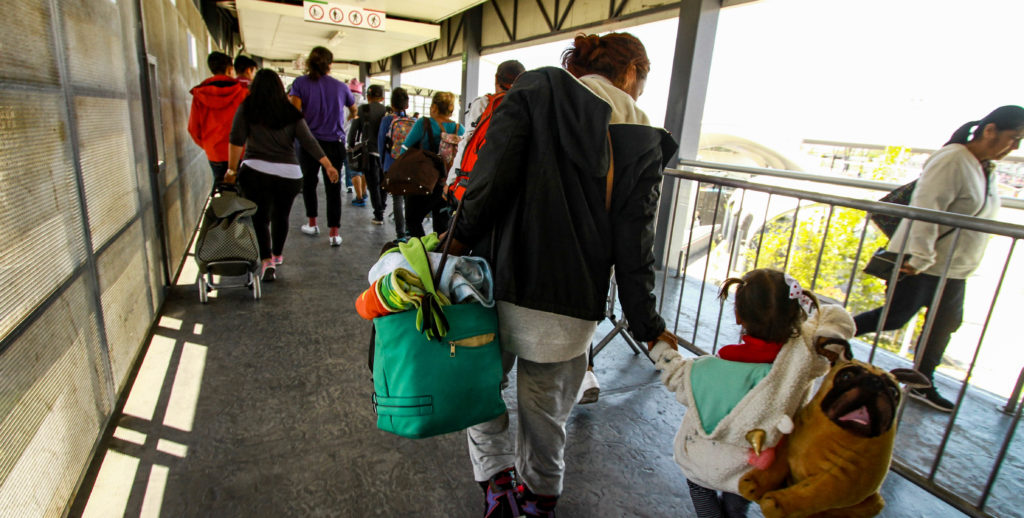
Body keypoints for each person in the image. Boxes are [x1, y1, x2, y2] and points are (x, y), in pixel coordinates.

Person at [443, 33, 677, 517]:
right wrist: (649, 327)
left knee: (478, 388)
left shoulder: (536, 89)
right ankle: (540, 498)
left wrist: (455, 244)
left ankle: (496, 483)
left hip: (493, 285)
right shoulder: (642, 138)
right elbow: (634, 250)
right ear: (630, 73)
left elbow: (489, 182)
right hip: (569, 306)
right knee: (546, 412)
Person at [853, 105, 1024, 412]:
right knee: (895, 316)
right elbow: (926, 209)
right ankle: (827, 334)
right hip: (925, 263)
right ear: (990, 130)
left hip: (954, 267)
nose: (1014, 147)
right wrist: (919, 257)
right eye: (1013, 138)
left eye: (1019, 142)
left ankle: (921, 382)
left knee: (944, 324)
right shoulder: (953, 159)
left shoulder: (984, 167)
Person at [648, 269, 855, 518]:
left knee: (700, 488)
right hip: (753, 469)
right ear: (797, 315)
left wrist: (660, 347)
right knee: (739, 500)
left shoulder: (706, 370)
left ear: (738, 316)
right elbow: (838, 318)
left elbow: (675, 374)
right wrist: (817, 333)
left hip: (704, 463)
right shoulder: (802, 364)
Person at [226, 69, 339, 281]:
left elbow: (236, 139)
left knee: (260, 217)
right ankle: (277, 255)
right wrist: (328, 164)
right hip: (288, 174)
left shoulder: (247, 108)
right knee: (281, 216)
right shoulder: (290, 112)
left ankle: (266, 260)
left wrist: (231, 170)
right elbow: (309, 141)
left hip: (255, 170)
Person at [288, 46, 356, 246]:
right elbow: (354, 109)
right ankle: (334, 233)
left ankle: (312, 223)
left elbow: (294, 114)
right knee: (333, 187)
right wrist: (342, 125)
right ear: (330, 65)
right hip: (334, 142)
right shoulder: (341, 87)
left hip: (308, 143)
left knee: (309, 183)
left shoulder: (300, 83)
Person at [445, 60, 525, 187]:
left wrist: (450, 182)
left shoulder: (484, 104)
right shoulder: (527, 106)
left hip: (480, 180)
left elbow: (467, 144)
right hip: (516, 182)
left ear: (496, 78)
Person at [397, 91, 464, 238]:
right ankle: (438, 256)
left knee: (413, 221)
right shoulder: (459, 129)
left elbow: (404, 149)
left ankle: (421, 254)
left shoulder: (424, 123)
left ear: (434, 106)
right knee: (441, 227)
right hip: (446, 185)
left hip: (422, 181)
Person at [188, 51, 248, 186]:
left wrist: (209, 145)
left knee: (221, 189)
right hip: (241, 152)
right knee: (244, 192)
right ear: (230, 69)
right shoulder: (243, 93)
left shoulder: (200, 95)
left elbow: (193, 129)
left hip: (214, 153)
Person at [348, 84, 388, 224]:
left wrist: (351, 145)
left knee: (373, 185)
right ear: (382, 97)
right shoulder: (387, 111)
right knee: (383, 183)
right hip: (385, 154)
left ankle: (378, 214)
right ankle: (382, 206)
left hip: (368, 153)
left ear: (368, 96)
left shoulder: (363, 109)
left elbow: (353, 132)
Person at [377, 87, 411, 239]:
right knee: (409, 200)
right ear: (407, 105)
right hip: (409, 165)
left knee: (397, 200)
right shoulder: (413, 121)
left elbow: (381, 143)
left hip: (391, 164)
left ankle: (400, 234)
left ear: (392, 104)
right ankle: (411, 231)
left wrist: (383, 164)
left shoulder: (387, 120)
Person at [345, 78, 367, 203]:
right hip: (364, 143)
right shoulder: (365, 106)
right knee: (363, 170)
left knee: (353, 171)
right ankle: (364, 193)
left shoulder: (344, 105)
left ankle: (359, 198)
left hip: (349, 142)